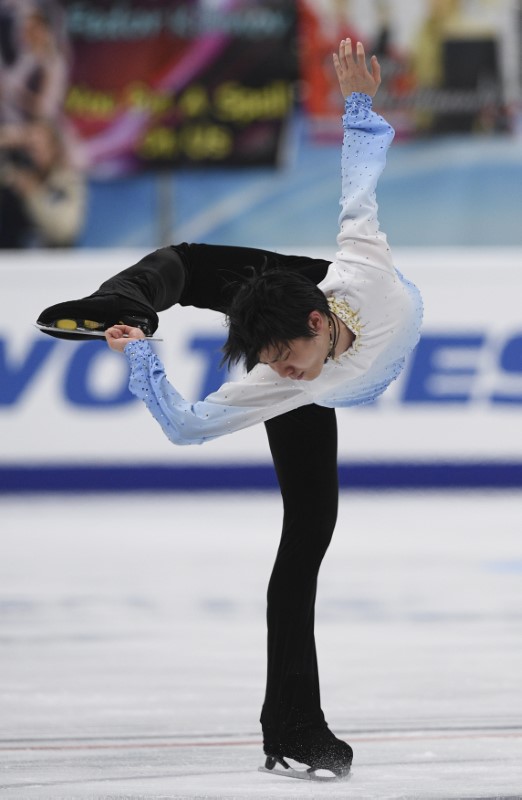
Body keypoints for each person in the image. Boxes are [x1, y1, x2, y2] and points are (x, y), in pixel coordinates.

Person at [36, 39, 423, 781]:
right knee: (189, 262)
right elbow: (188, 425)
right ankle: (127, 302)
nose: (270, 374)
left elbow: (361, 180)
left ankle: (290, 721)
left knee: (309, 535)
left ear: (312, 330)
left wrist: (359, 100)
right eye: (265, 363)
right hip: (298, 314)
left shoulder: (362, 272)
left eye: (276, 358)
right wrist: (140, 359)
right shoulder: (283, 373)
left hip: (320, 292)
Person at [0, 117, 85, 247]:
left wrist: (33, 194)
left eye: (36, 148)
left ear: (53, 149)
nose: (31, 155)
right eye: (27, 147)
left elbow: (63, 231)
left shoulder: (66, 180)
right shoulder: (13, 175)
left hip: (51, 259)